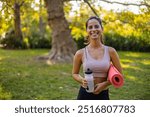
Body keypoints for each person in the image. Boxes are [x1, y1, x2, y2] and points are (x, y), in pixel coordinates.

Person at [72, 16, 123, 100]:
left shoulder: (111, 51)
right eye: (90, 27)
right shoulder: (80, 53)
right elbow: (75, 74)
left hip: (103, 94)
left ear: (102, 29)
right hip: (85, 94)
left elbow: (120, 75)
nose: (93, 29)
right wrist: (82, 80)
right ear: (87, 31)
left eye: (96, 26)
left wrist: (105, 84)